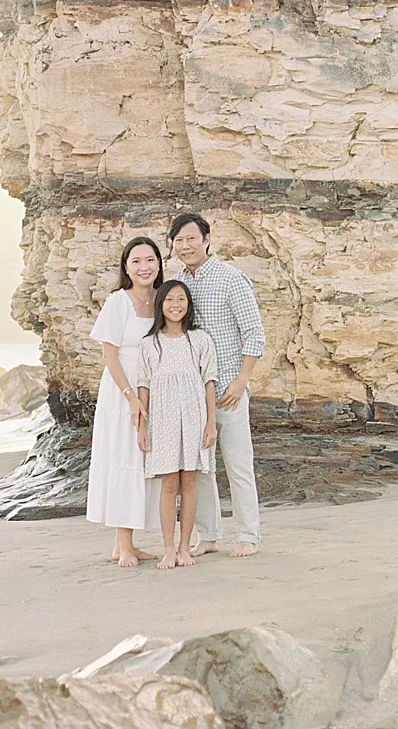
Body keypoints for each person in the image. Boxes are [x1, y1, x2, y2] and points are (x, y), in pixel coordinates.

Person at [169, 212, 264, 558]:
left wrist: (242, 380)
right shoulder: (178, 285)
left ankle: (249, 535)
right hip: (192, 394)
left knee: (239, 465)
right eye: (178, 240)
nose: (185, 245)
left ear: (207, 239)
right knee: (201, 469)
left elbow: (254, 332)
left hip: (228, 390)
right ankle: (209, 535)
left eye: (191, 238)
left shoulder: (231, 279)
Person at [86, 236, 165, 567]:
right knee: (124, 458)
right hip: (123, 391)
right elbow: (110, 355)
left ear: (159, 264)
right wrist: (130, 397)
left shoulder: (162, 299)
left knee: (143, 463)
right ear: (126, 267)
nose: (144, 267)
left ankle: (128, 542)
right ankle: (123, 543)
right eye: (136, 261)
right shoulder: (118, 301)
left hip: (152, 387)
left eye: (150, 260)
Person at [136, 279, 218, 570]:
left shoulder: (200, 340)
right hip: (163, 418)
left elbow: (210, 383)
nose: (175, 305)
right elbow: (143, 387)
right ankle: (168, 549)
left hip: (194, 417)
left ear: (188, 304)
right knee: (169, 482)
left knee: (190, 481)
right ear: (160, 304)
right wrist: (142, 428)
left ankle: (186, 547)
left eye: (181, 299)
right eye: (169, 299)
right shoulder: (150, 344)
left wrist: (211, 423)